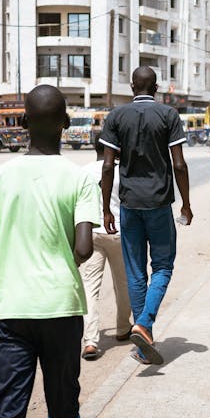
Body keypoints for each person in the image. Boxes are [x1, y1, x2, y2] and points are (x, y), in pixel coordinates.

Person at [0, 84, 99, 418]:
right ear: (65, 123)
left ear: (23, 124)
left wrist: (17, 252)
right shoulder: (79, 178)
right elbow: (83, 248)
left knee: (4, 417)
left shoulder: (2, 175)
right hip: (61, 310)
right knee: (63, 409)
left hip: (13, 312)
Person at [99, 65, 193, 366]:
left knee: (136, 272)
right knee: (163, 266)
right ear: (156, 87)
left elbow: (107, 166)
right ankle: (144, 323)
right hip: (159, 204)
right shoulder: (168, 116)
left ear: (131, 87)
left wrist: (105, 208)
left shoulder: (115, 117)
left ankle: (143, 345)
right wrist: (186, 203)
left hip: (128, 205)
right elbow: (179, 164)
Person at [79, 135, 133, 361]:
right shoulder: (123, 171)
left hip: (91, 234)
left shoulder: (83, 172)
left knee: (90, 287)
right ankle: (122, 328)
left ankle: (90, 341)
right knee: (123, 284)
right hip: (120, 232)